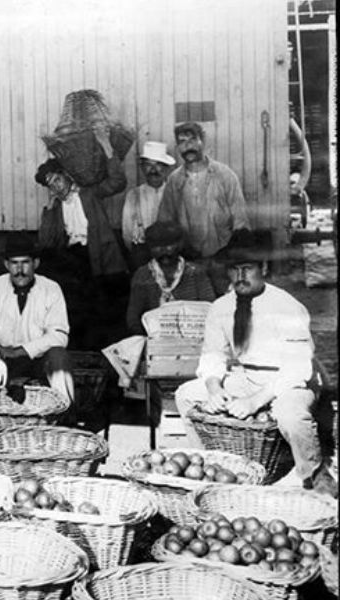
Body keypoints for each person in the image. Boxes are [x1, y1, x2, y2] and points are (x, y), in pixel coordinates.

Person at [174, 229, 335, 497]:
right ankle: (211, 466)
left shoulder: (287, 307)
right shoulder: (221, 307)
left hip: (289, 381)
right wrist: (214, 389)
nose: (240, 277)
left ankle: (314, 474)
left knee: (291, 415)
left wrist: (255, 401)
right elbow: (213, 355)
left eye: (247, 269)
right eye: (234, 270)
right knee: (186, 396)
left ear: (263, 268)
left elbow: (297, 368)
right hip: (245, 376)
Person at [36, 142, 128, 349]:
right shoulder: (56, 207)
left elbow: (118, 182)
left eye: (57, 179)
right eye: (50, 184)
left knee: (108, 306)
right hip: (76, 259)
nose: (56, 186)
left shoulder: (90, 194)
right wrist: (50, 208)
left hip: (102, 255)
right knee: (81, 307)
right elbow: (46, 242)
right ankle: (84, 348)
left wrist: (107, 148)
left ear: (66, 175)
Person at [0, 236, 75, 404]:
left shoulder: (51, 289)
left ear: (36, 263)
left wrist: (21, 351)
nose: (20, 270)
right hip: (2, 360)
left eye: (25, 262)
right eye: (14, 263)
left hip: (37, 360)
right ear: (6, 265)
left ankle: (65, 413)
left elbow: (59, 335)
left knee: (59, 356)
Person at [157, 121, 249, 292]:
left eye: (192, 140)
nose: (187, 147)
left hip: (221, 257)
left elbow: (241, 223)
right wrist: (182, 252)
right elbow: (165, 223)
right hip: (188, 260)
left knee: (224, 305)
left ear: (203, 141)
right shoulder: (174, 181)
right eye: (182, 142)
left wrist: (226, 255)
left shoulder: (225, 176)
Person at [126, 221, 216, 335]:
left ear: (179, 245)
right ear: (149, 248)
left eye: (169, 245)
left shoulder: (195, 272)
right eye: (157, 246)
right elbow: (133, 318)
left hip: (194, 335)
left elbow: (210, 308)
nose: (163, 251)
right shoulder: (142, 276)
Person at [122, 141, 177, 269]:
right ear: (142, 168)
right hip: (142, 253)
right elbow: (127, 232)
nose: (153, 170)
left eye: (158, 165)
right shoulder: (133, 195)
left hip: (170, 251)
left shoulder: (174, 192)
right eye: (148, 165)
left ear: (166, 168)